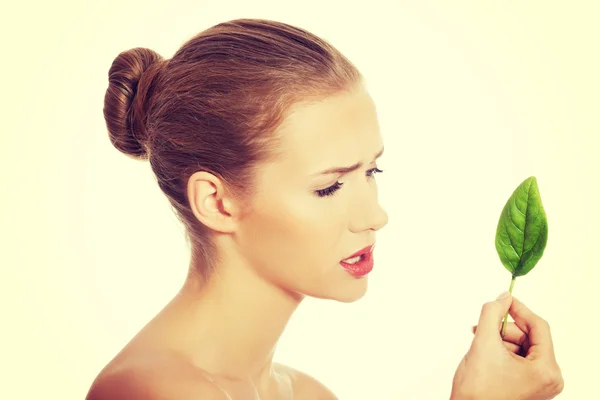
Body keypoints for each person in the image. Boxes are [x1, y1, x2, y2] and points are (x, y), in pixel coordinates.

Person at [85, 18, 564, 400]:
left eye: (371, 172)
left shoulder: (310, 394)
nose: (375, 217)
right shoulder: (151, 392)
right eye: (330, 186)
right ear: (217, 201)